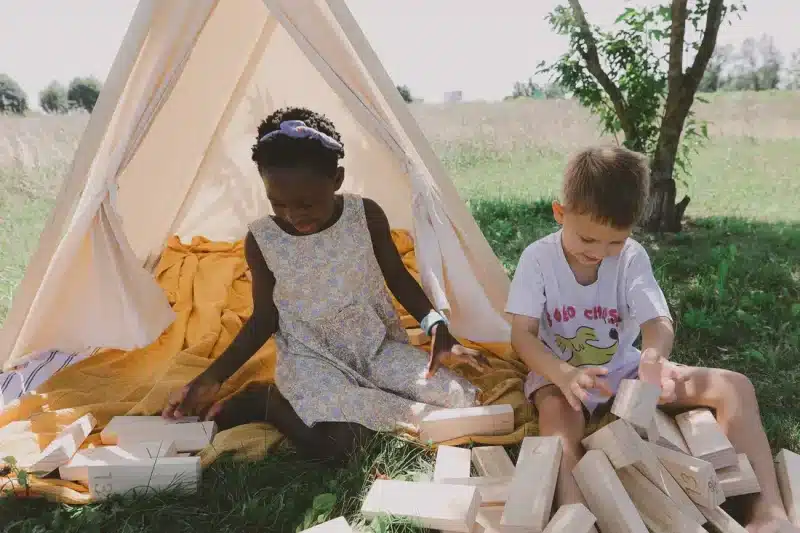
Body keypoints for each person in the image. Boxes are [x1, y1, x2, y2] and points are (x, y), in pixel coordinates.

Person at [162, 107, 491, 465]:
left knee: (462, 399)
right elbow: (264, 319)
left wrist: (435, 325)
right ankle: (266, 401)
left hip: (375, 349)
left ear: (336, 179)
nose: (294, 214)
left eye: (306, 203)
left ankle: (355, 396)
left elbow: (397, 277)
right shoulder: (263, 240)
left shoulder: (365, 216)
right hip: (312, 360)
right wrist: (211, 379)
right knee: (342, 441)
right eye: (279, 203)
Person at [505, 145, 798, 533]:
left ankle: (766, 511)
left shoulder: (631, 258)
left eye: (614, 242)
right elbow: (522, 336)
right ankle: (578, 513)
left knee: (735, 387)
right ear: (560, 213)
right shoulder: (537, 260)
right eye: (587, 240)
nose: (599, 253)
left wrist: (653, 360)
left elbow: (657, 321)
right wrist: (560, 374)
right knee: (558, 422)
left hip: (624, 368)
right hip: (559, 372)